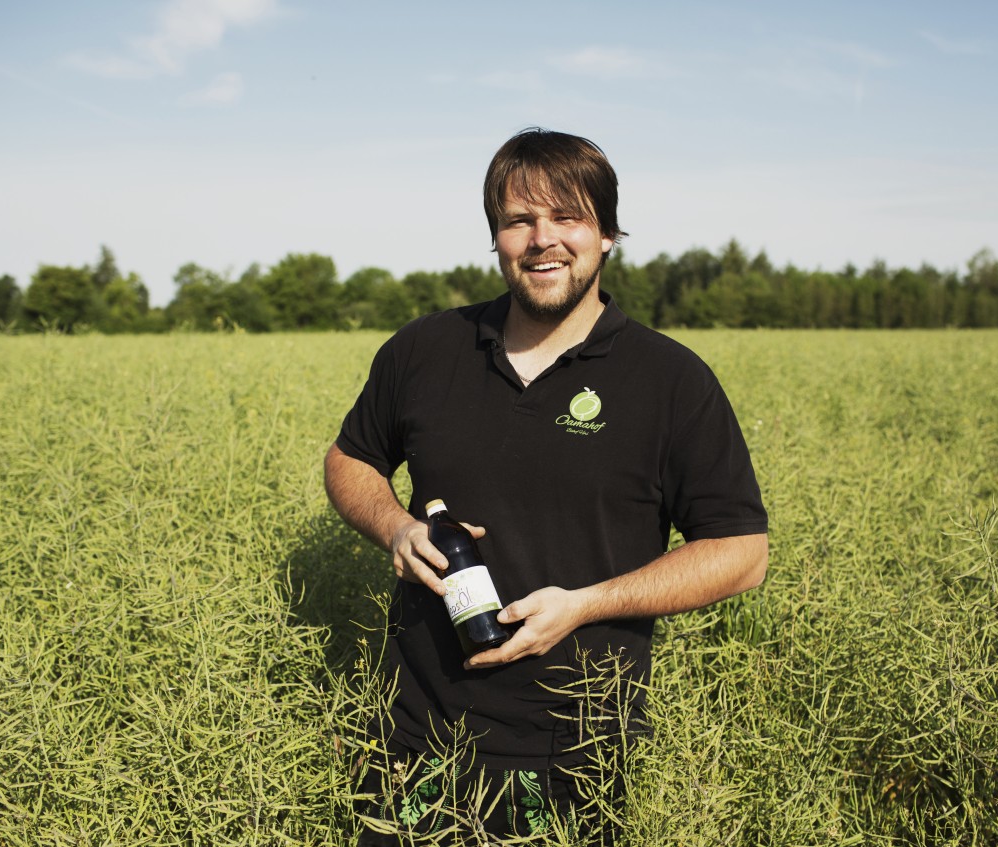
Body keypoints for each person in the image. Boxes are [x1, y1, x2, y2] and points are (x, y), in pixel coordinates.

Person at [324, 127, 768, 843]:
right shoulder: (425, 350)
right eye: (519, 220)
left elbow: (743, 552)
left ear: (608, 235)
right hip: (417, 742)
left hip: (574, 754)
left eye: (568, 217)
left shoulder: (671, 381)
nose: (543, 239)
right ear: (495, 237)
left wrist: (586, 605)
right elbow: (349, 459)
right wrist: (395, 528)